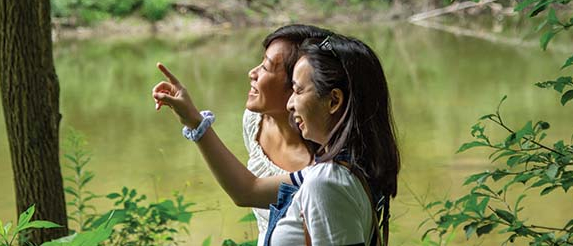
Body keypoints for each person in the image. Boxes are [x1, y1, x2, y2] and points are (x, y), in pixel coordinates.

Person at [151, 34, 400, 245]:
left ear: (334, 101)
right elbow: (247, 190)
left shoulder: (325, 184)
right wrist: (193, 120)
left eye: (299, 90)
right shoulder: (342, 170)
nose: (291, 102)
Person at [241, 25, 333, 242]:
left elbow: (246, 191)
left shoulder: (324, 167)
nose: (252, 73)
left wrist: (196, 124)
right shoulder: (254, 122)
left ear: (297, 84)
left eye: (266, 67)